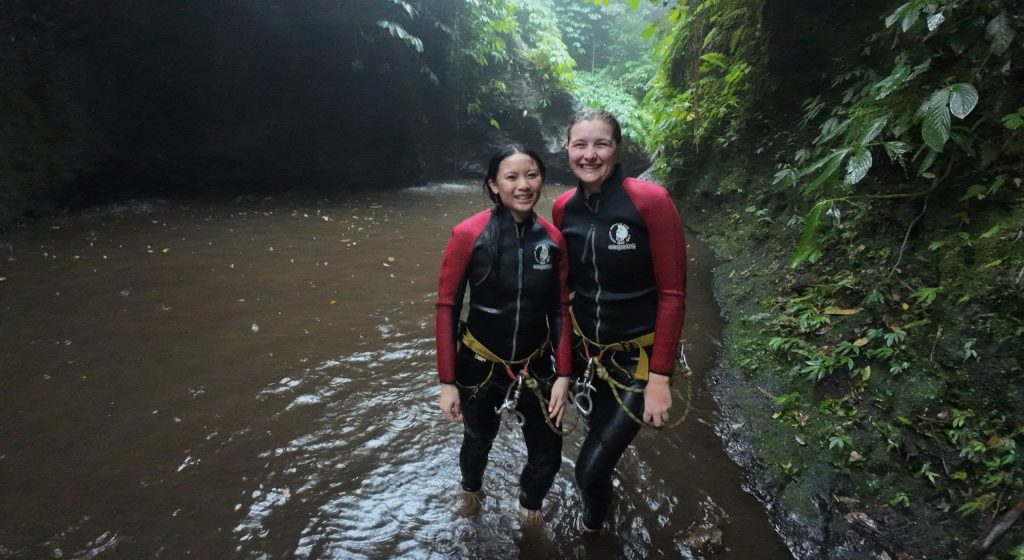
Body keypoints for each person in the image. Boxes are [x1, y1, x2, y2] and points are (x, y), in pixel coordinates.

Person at [551, 108, 687, 532]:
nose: (589, 155)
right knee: (597, 442)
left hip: (637, 360)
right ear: (567, 149)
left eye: (601, 144)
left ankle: (594, 531)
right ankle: (605, 500)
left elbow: (673, 293)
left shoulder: (650, 201)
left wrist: (660, 378)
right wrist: (560, 367)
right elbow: (560, 295)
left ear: (617, 148)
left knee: (588, 470)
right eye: (580, 144)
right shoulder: (562, 209)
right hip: (587, 356)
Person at [435, 145, 572, 523]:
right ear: (495, 185)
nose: (523, 185)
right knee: (478, 440)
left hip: (537, 364)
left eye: (531, 175)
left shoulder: (553, 240)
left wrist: (564, 374)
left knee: (547, 453)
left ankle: (529, 510)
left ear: (542, 179)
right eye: (511, 177)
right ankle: (471, 491)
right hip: (480, 364)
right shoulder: (468, 234)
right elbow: (447, 306)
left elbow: (560, 309)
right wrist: (447, 381)